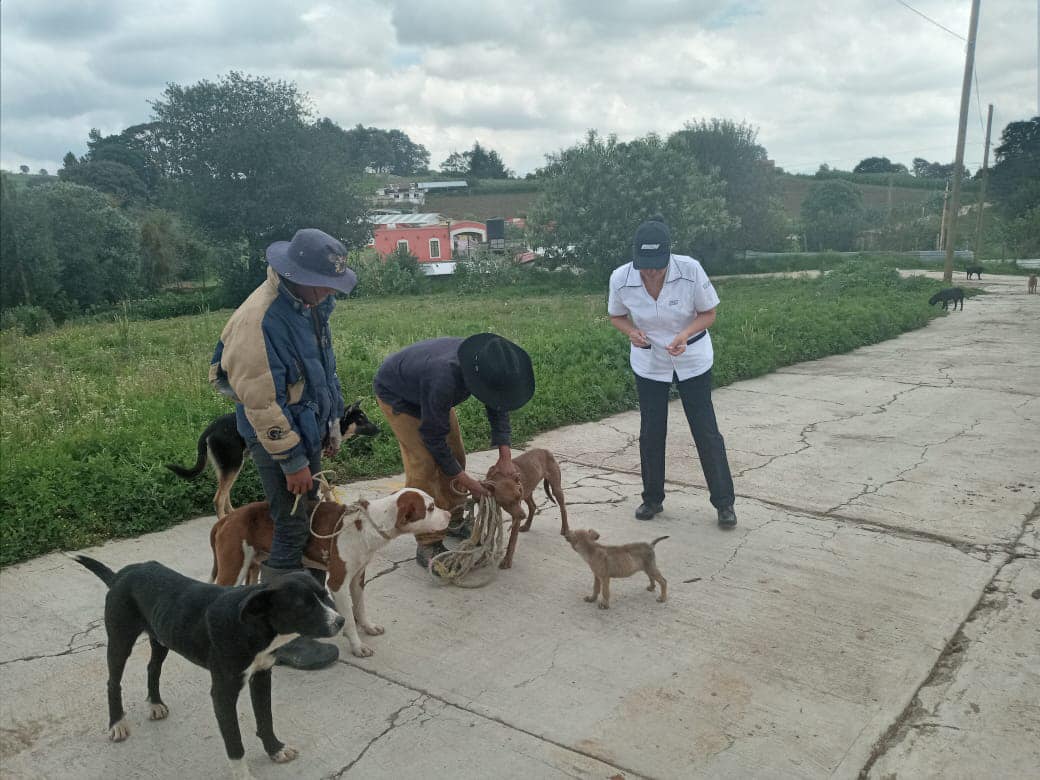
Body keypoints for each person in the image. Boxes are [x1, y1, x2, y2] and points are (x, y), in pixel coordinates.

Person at [209, 228, 357, 669]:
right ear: (296, 273)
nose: (330, 292)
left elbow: (321, 373)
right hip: (275, 438)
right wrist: (292, 460)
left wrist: (331, 427)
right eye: (324, 283)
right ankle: (281, 634)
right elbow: (260, 402)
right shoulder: (259, 321)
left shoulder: (310, 303)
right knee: (291, 527)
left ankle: (310, 609)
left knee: (309, 516)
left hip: (305, 427)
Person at [607, 215, 737, 529]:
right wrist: (631, 332)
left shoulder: (690, 270)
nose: (651, 271)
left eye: (657, 264)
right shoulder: (621, 278)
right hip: (650, 361)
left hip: (691, 357)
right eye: (645, 264)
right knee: (652, 431)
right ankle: (652, 499)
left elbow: (709, 313)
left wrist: (685, 334)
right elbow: (616, 316)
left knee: (705, 430)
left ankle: (724, 503)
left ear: (668, 255)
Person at [373, 334, 535, 569]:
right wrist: (466, 481)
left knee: (456, 455)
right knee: (424, 464)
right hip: (398, 394)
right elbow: (433, 437)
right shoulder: (444, 377)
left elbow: (497, 404)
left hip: (430, 391)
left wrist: (505, 456)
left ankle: (454, 518)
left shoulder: (488, 363)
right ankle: (428, 541)